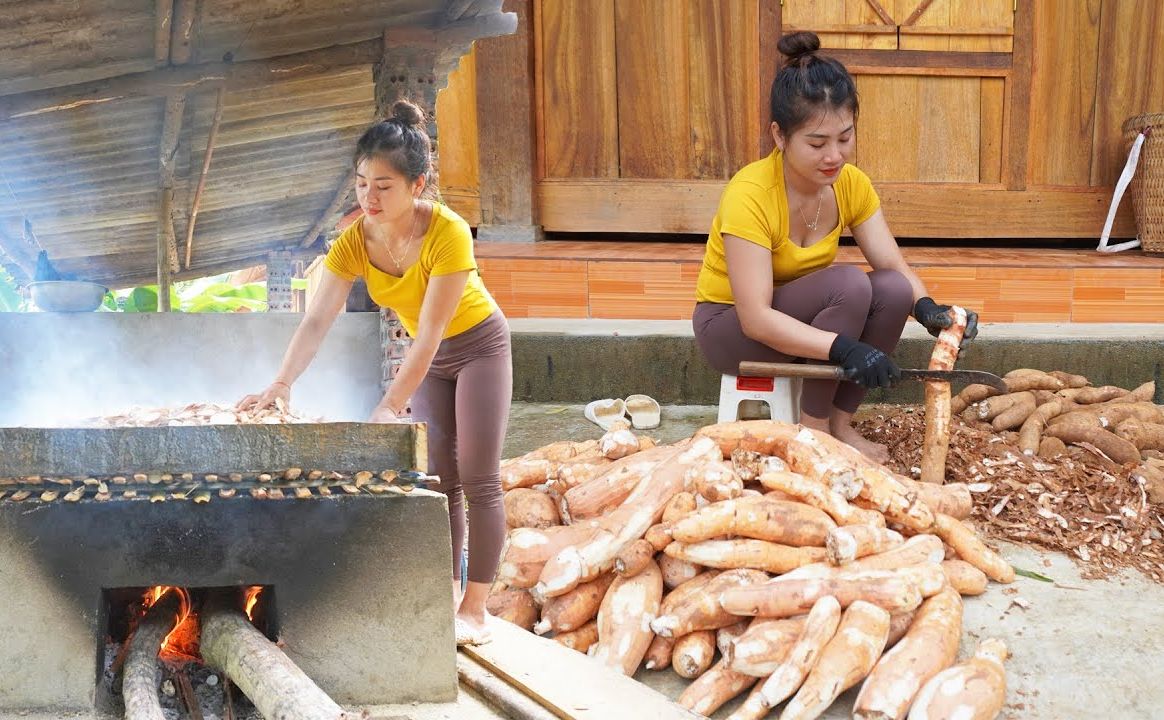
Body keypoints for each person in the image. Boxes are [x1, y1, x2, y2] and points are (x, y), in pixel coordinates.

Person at [238, 99, 511, 646]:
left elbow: (431, 333)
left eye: (384, 186)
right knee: (438, 478)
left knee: (478, 474)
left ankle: (476, 608)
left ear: (418, 184)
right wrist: (282, 382)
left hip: (478, 345)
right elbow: (317, 319)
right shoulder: (354, 242)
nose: (370, 197)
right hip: (430, 358)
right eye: (362, 183)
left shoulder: (448, 233)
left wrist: (389, 404)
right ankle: (442, 595)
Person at [692, 31, 978, 463]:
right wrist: (842, 348)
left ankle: (839, 426)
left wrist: (930, 311)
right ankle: (815, 433)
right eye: (817, 143)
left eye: (845, 138)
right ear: (780, 136)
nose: (835, 156)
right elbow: (755, 318)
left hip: (798, 321)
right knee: (849, 283)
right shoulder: (749, 194)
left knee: (893, 290)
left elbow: (892, 264)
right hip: (732, 329)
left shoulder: (850, 185)